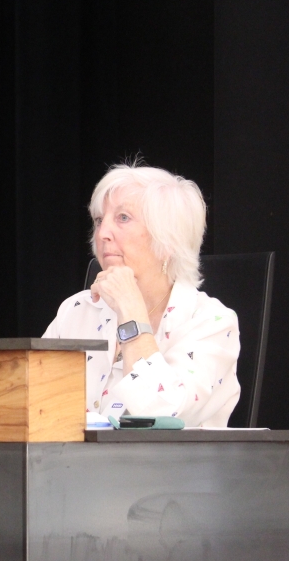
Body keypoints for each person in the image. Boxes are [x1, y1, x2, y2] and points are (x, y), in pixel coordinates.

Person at [43, 163, 240, 427]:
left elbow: (162, 414)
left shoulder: (212, 322)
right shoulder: (77, 309)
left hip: (170, 467)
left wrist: (130, 310)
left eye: (123, 218)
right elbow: (31, 404)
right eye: (99, 220)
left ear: (168, 238)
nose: (102, 233)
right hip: (72, 466)